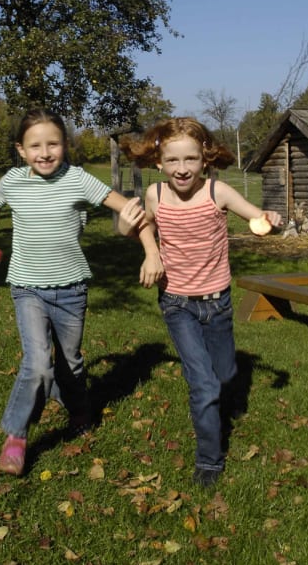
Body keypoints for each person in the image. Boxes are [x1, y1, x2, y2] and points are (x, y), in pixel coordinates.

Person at [0, 107, 162, 476]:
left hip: (72, 289)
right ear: (21, 149)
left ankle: (78, 408)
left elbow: (132, 211)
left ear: (64, 145)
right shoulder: (12, 181)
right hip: (27, 288)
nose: (45, 153)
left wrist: (151, 253)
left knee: (70, 363)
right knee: (37, 364)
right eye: (35, 146)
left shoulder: (78, 179)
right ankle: (16, 437)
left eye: (53, 144)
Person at [119, 117, 282, 488]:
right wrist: (142, 244)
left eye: (190, 159)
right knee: (204, 385)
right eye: (173, 160)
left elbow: (257, 216)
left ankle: (225, 397)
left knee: (224, 375)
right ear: (159, 162)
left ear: (204, 159)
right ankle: (209, 459)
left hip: (218, 302)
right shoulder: (155, 195)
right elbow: (142, 228)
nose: (182, 168)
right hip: (176, 304)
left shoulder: (217, 192)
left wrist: (268, 218)